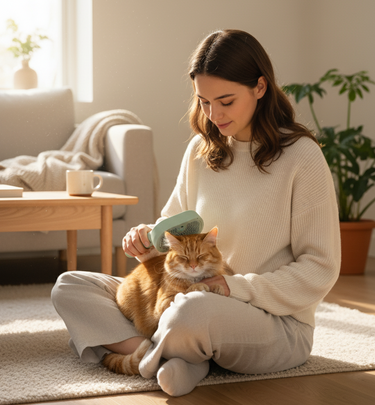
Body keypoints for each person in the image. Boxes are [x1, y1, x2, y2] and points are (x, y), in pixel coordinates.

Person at [51, 29, 341, 397]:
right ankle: (171, 357)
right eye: (204, 101)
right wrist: (148, 241)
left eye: (225, 101)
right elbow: (172, 229)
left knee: (193, 311)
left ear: (260, 87)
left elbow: (320, 268)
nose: (214, 114)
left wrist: (233, 287)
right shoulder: (201, 150)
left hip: (272, 323)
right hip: (188, 295)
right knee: (71, 286)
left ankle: (154, 349)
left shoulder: (302, 157)